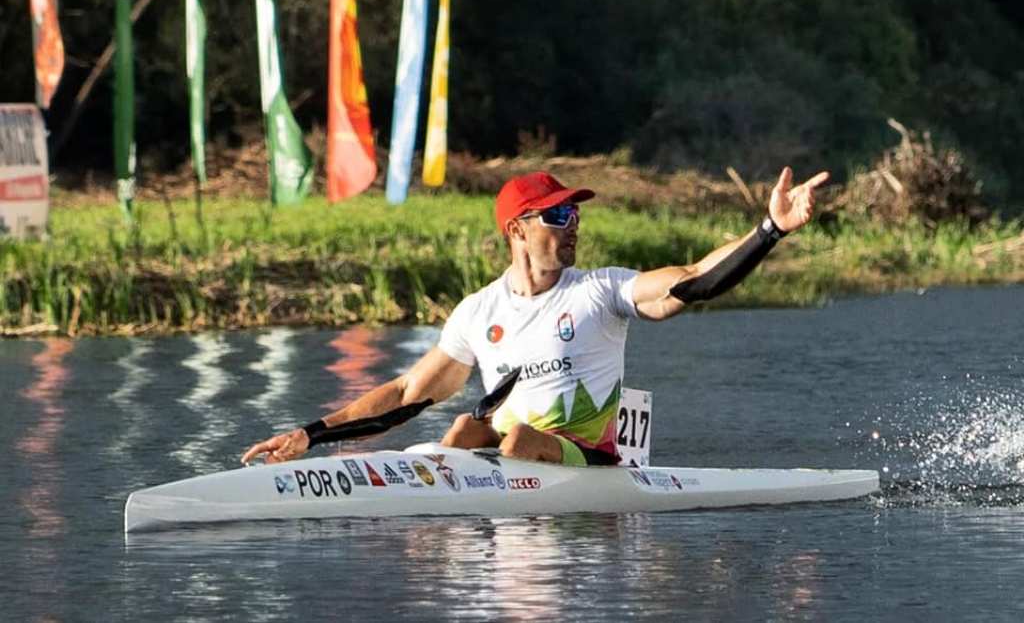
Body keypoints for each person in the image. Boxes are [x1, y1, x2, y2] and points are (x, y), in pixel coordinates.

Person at [241, 167, 828, 467]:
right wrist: (310, 435)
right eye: (558, 215)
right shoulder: (479, 311)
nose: (574, 224)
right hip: (514, 465)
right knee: (462, 432)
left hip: (591, 460)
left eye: (575, 213)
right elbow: (404, 394)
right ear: (517, 229)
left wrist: (769, 229)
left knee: (513, 434)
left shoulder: (602, 290)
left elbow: (695, 281)